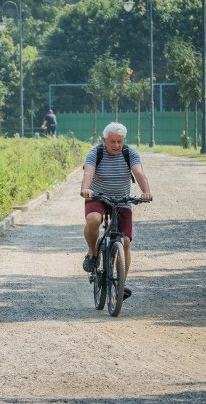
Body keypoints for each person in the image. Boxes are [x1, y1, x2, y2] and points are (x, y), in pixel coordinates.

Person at [79, 122, 152, 300]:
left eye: (120, 141)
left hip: (122, 200)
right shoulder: (95, 153)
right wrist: (85, 189)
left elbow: (139, 172)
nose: (116, 145)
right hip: (98, 197)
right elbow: (88, 173)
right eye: (112, 141)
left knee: (125, 241)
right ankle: (92, 252)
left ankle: (120, 285)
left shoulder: (130, 153)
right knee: (94, 219)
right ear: (104, 140)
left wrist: (146, 192)